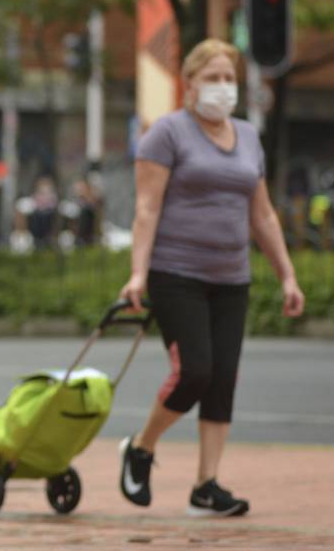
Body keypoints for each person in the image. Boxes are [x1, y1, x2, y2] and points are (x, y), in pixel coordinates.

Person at [117, 39, 304, 517]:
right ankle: (142, 447)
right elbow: (146, 207)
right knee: (195, 371)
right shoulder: (167, 134)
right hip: (176, 272)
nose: (223, 87)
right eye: (213, 77)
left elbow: (262, 215)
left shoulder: (247, 136)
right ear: (189, 83)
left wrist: (287, 275)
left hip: (231, 276)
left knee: (222, 380)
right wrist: (138, 273)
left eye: (229, 78)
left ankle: (207, 485)